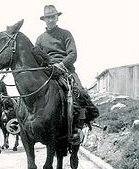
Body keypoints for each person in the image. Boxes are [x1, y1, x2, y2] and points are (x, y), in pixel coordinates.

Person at [35, 5, 99, 144]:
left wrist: (62, 65)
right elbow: (37, 58)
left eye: (53, 17)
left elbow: (73, 54)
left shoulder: (66, 34)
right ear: (44, 20)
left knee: (80, 93)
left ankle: (78, 127)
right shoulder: (40, 39)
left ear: (57, 17)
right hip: (48, 71)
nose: (50, 20)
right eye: (48, 18)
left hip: (66, 69)